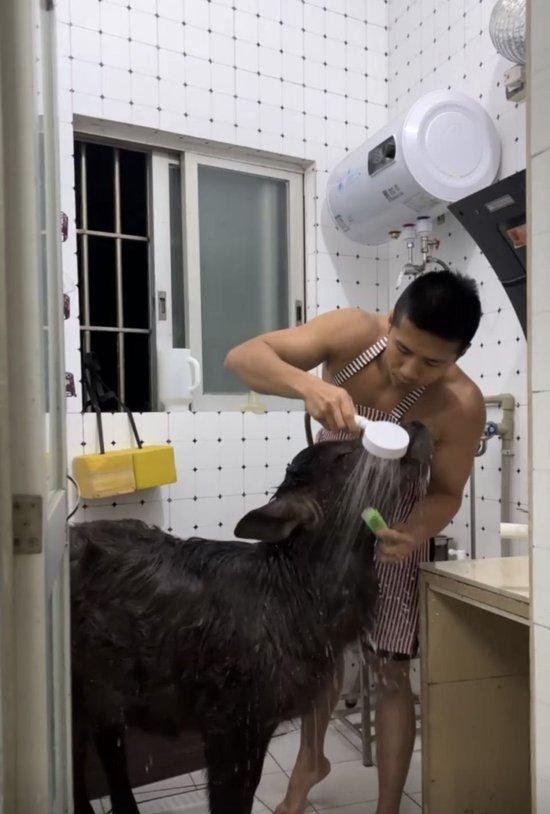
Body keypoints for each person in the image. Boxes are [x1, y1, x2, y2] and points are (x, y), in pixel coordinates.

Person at [224, 270, 486, 814]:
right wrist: (310, 386)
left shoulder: (460, 404)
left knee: (390, 669)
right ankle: (308, 767)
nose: (408, 369)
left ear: (459, 356)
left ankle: (388, 807)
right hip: (324, 523)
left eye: (431, 363)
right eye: (402, 349)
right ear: (390, 321)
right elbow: (243, 358)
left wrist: (413, 533)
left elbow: (446, 493)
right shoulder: (351, 333)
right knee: (318, 653)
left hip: (391, 531)